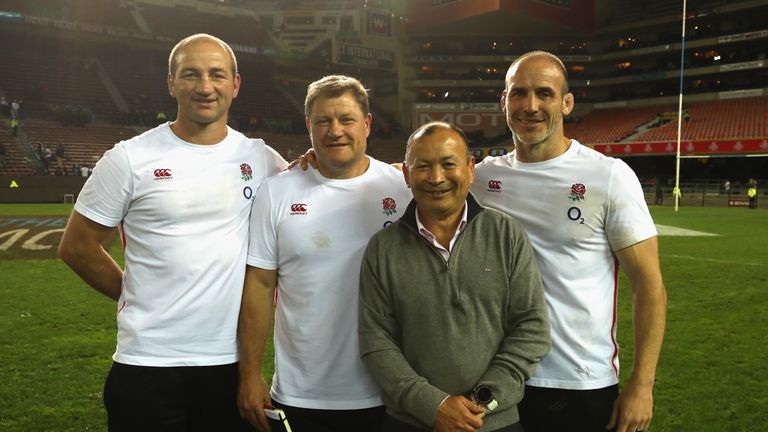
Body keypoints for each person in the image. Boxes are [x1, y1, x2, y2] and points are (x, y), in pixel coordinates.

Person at [58, 33, 287, 431]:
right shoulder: (130, 157)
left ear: (235, 85)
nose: (204, 86)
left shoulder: (262, 158)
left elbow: (313, 189)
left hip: (227, 363)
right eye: (190, 74)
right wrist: (131, 290)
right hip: (147, 362)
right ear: (171, 83)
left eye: (217, 75)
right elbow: (77, 246)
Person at [471, 51, 667, 432]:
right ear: (504, 102)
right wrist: (318, 166)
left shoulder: (608, 176)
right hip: (498, 378)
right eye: (519, 93)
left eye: (544, 93)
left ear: (567, 102)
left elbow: (650, 287)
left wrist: (642, 385)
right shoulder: (480, 177)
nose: (530, 106)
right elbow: (418, 177)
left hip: (579, 380)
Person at [237, 75, 412, 432]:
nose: (335, 131)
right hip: (302, 393)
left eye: (346, 120)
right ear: (308, 126)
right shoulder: (278, 192)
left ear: (367, 124)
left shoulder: (403, 189)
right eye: (323, 121)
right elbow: (258, 285)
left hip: (391, 392)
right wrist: (251, 374)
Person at [359, 121, 551, 432]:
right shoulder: (383, 248)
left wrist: (480, 401)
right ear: (407, 175)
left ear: (470, 169)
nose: (436, 178)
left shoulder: (506, 235)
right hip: (410, 422)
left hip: (493, 421)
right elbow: (376, 342)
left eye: (449, 164)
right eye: (422, 166)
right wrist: (432, 406)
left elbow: (532, 327)